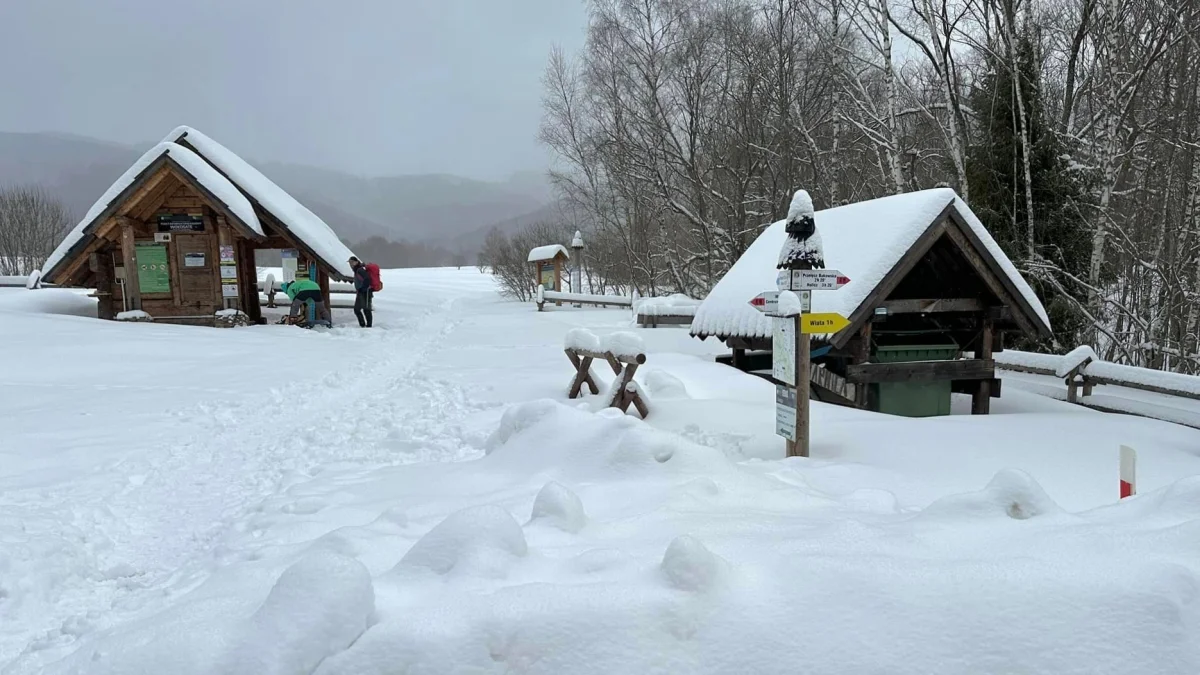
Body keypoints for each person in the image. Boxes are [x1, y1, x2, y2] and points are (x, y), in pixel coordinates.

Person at [349, 256, 373, 328]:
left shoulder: (360, 270)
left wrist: (362, 288)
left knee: (365, 309)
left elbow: (367, 279)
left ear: (356, 262)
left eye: (352, 262)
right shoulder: (357, 270)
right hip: (361, 292)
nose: (351, 264)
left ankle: (368, 325)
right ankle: (363, 325)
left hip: (365, 292)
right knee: (358, 309)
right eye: (350, 263)